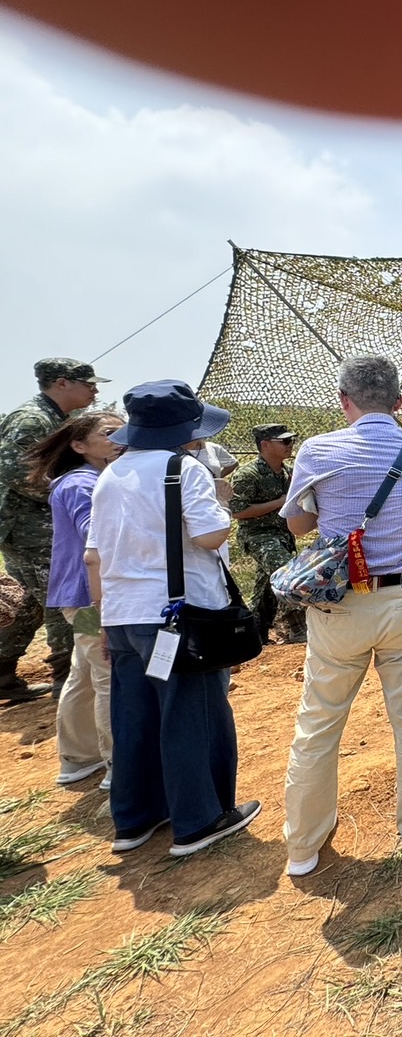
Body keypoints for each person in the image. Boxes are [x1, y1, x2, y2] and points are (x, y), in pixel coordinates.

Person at [278, 355, 402, 877]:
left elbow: (296, 525)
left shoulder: (317, 449)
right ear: (400, 403)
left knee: (318, 722)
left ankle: (303, 845)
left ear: (343, 400)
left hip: (338, 603)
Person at [85, 380, 260, 856]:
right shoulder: (184, 469)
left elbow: (94, 557)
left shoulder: (109, 475)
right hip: (179, 615)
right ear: (185, 431)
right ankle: (200, 818)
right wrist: (221, 499)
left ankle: (135, 819)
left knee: (134, 716)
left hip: (123, 616)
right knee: (193, 713)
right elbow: (208, 537)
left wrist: (105, 621)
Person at [27, 411, 125, 787]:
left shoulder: (81, 479)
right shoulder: (85, 484)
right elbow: (96, 539)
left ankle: (78, 757)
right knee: (108, 674)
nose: (120, 438)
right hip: (91, 597)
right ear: (78, 445)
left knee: (84, 672)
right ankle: (119, 767)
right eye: (109, 432)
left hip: (80, 595)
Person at [0, 357, 104, 700]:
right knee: (69, 598)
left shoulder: (57, 419)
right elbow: (17, 473)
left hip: (44, 528)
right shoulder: (31, 420)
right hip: (31, 529)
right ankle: (69, 673)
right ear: (61, 383)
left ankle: (3, 673)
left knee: (30, 604)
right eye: (88, 383)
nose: (95, 389)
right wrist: (70, 493)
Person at [229, 423, 306, 644]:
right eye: (285, 441)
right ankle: (297, 626)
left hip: (283, 536)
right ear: (265, 445)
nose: (290, 445)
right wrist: (279, 503)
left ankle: (253, 634)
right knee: (286, 572)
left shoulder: (289, 472)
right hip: (258, 536)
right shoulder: (248, 475)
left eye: (291, 441)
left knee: (266, 591)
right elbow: (238, 511)